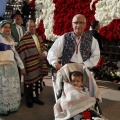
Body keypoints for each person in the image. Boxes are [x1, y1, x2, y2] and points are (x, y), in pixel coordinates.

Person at [17, 20, 48, 108]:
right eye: (30, 26)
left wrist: (44, 54)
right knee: (29, 82)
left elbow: (43, 48)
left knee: (38, 81)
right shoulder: (23, 39)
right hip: (29, 64)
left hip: (39, 64)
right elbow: (20, 53)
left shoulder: (38, 37)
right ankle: (28, 100)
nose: (32, 28)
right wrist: (22, 67)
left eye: (34, 26)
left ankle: (36, 98)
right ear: (26, 27)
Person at [0, 20, 26, 115]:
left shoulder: (10, 39)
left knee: (11, 86)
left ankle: (11, 106)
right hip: (2, 68)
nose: (7, 29)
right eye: (5, 27)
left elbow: (15, 54)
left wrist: (21, 66)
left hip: (12, 67)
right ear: (0, 28)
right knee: (3, 88)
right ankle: (3, 108)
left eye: (9, 27)